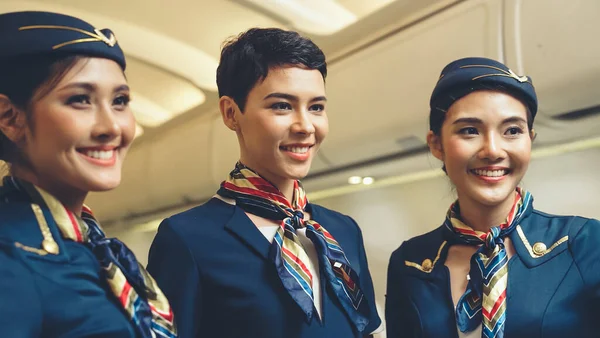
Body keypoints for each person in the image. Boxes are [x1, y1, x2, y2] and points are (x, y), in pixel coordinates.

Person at [147, 27, 382, 338]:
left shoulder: (342, 232)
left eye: (316, 107)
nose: (305, 126)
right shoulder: (187, 239)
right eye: (281, 106)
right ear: (231, 113)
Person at [385, 56, 600, 338]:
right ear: (436, 144)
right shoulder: (409, 262)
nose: (493, 150)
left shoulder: (583, 242)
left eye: (512, 131)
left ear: (530, 140)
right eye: (469, 131)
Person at [0, 11, 176, 337]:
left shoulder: (96, 250)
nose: (112, 127)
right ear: (10, 118)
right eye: (80, 100)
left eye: (120, 101)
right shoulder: (13, 258)